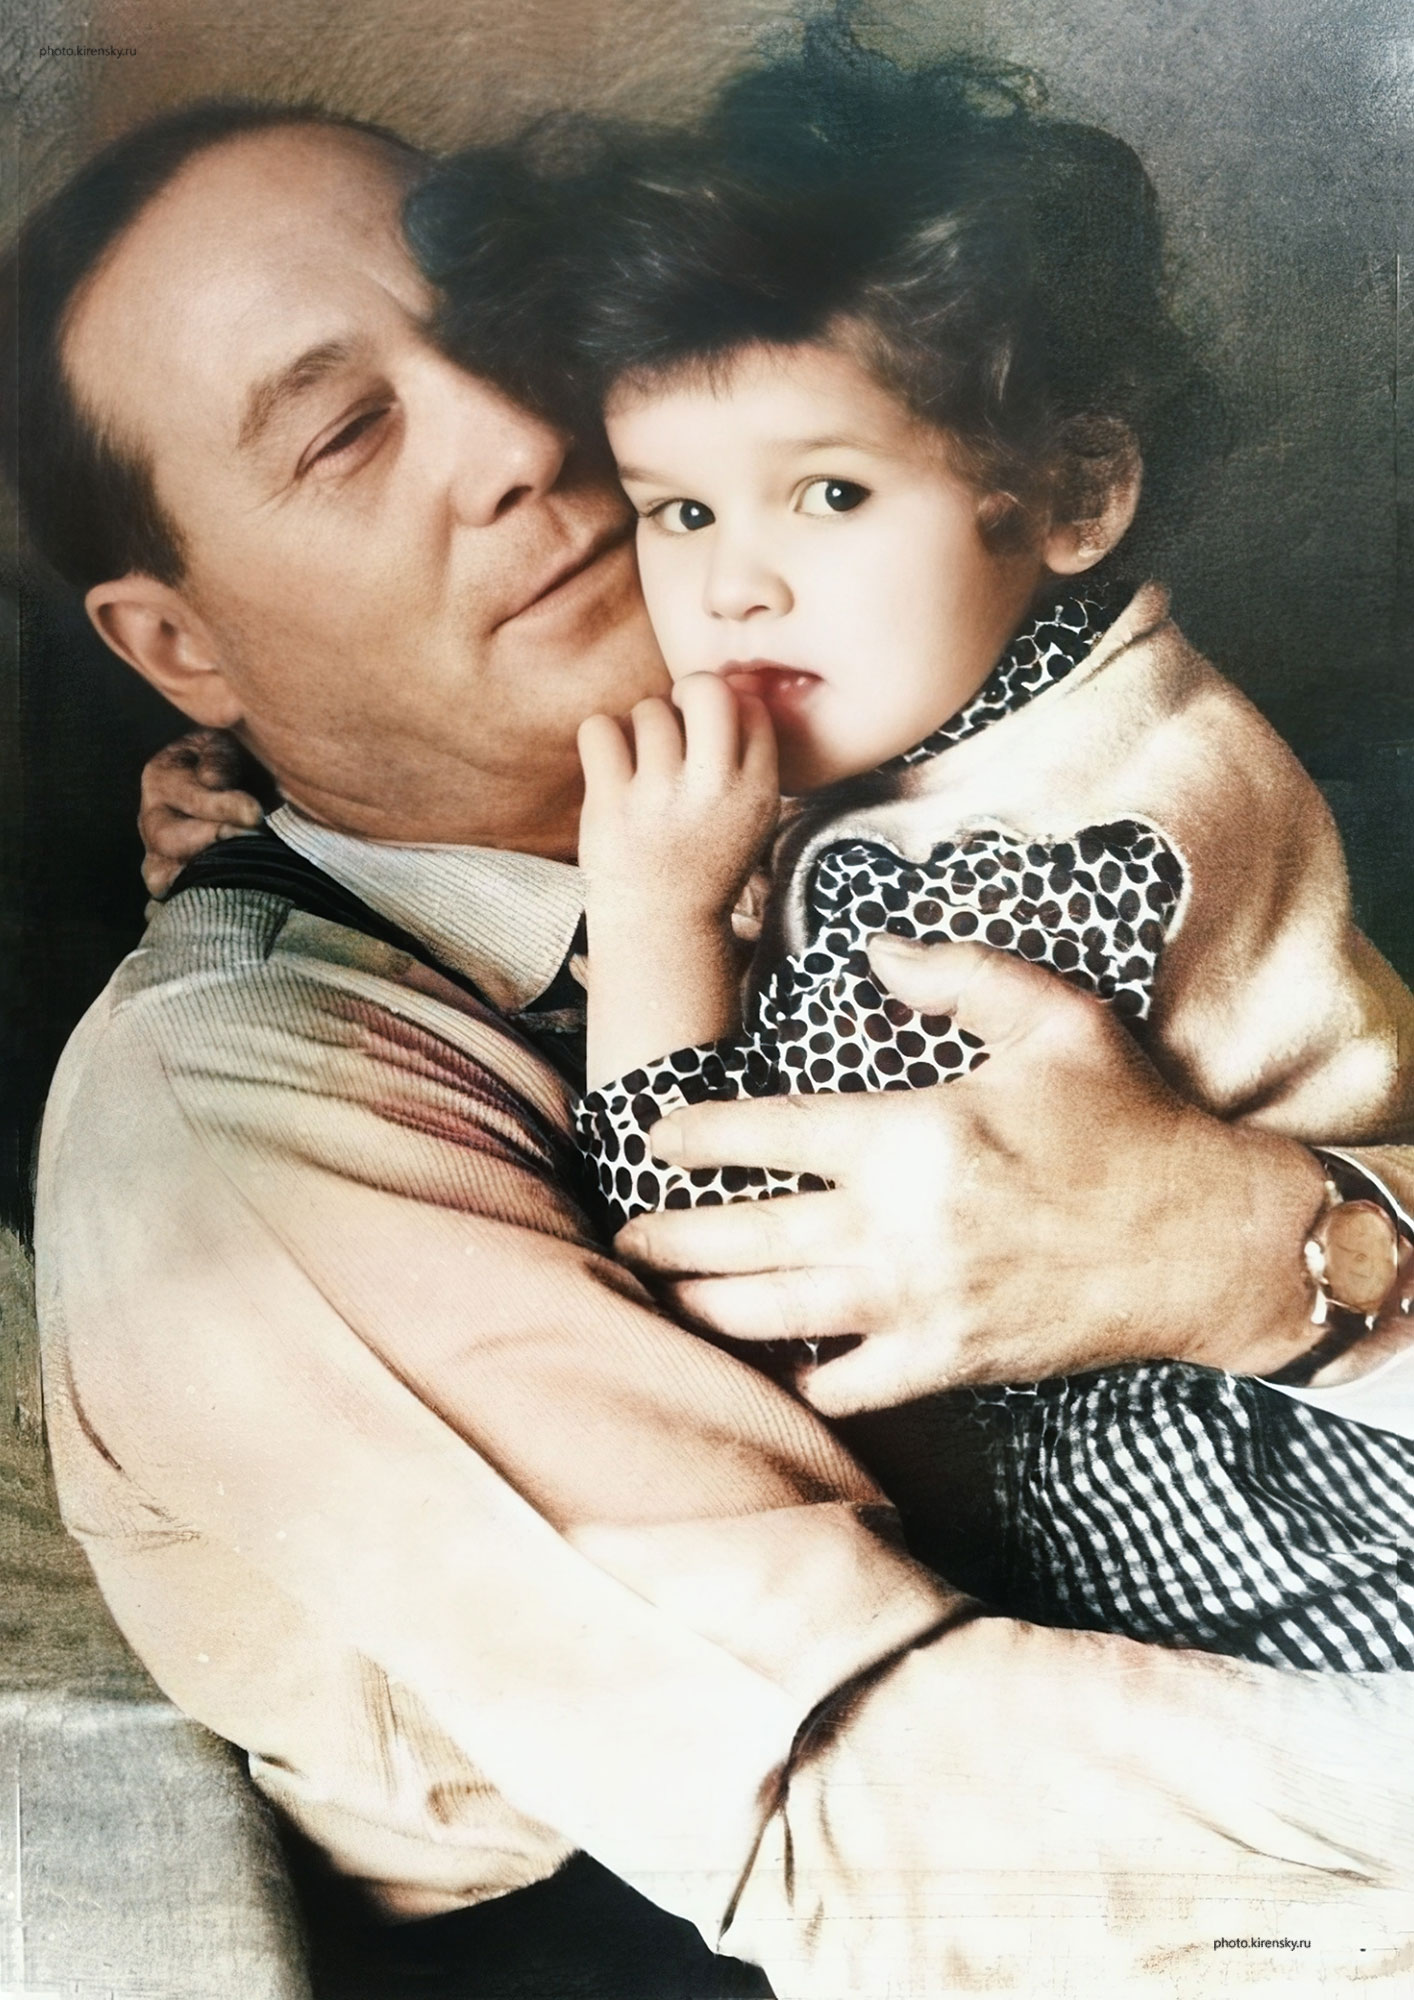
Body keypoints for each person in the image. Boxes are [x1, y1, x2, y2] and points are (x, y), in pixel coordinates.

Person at [9, 80, 1414, 2000]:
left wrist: (1259, 1244)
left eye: (504, 328)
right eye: (346, 433)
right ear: (182, 650)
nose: (522, 435)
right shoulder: (240, 1108)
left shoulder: (942, 758)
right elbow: (871, 1814)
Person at [404, 30, 1414, 1677]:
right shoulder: (1057, 695)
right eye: (678, 512)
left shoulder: (1035, 860)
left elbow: (733, 1259)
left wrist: (653, 916)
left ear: (1068, 495)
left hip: (1272, 1530)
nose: (733, 586)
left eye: (828, 494)